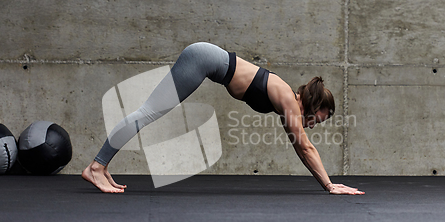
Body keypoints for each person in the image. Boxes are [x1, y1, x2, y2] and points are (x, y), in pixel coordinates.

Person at [82, 42, 364, 195]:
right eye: (318, 119)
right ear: (314, 105)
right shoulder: (288, 100)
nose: (314, 125)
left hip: (206, 60)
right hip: (202, 59)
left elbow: (299, 148)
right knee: (147, 113)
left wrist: (325, 182)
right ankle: (96, 166)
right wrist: (330, 185)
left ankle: (102, 165)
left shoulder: (285, 102)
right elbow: (305, 146)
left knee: (147, 113)